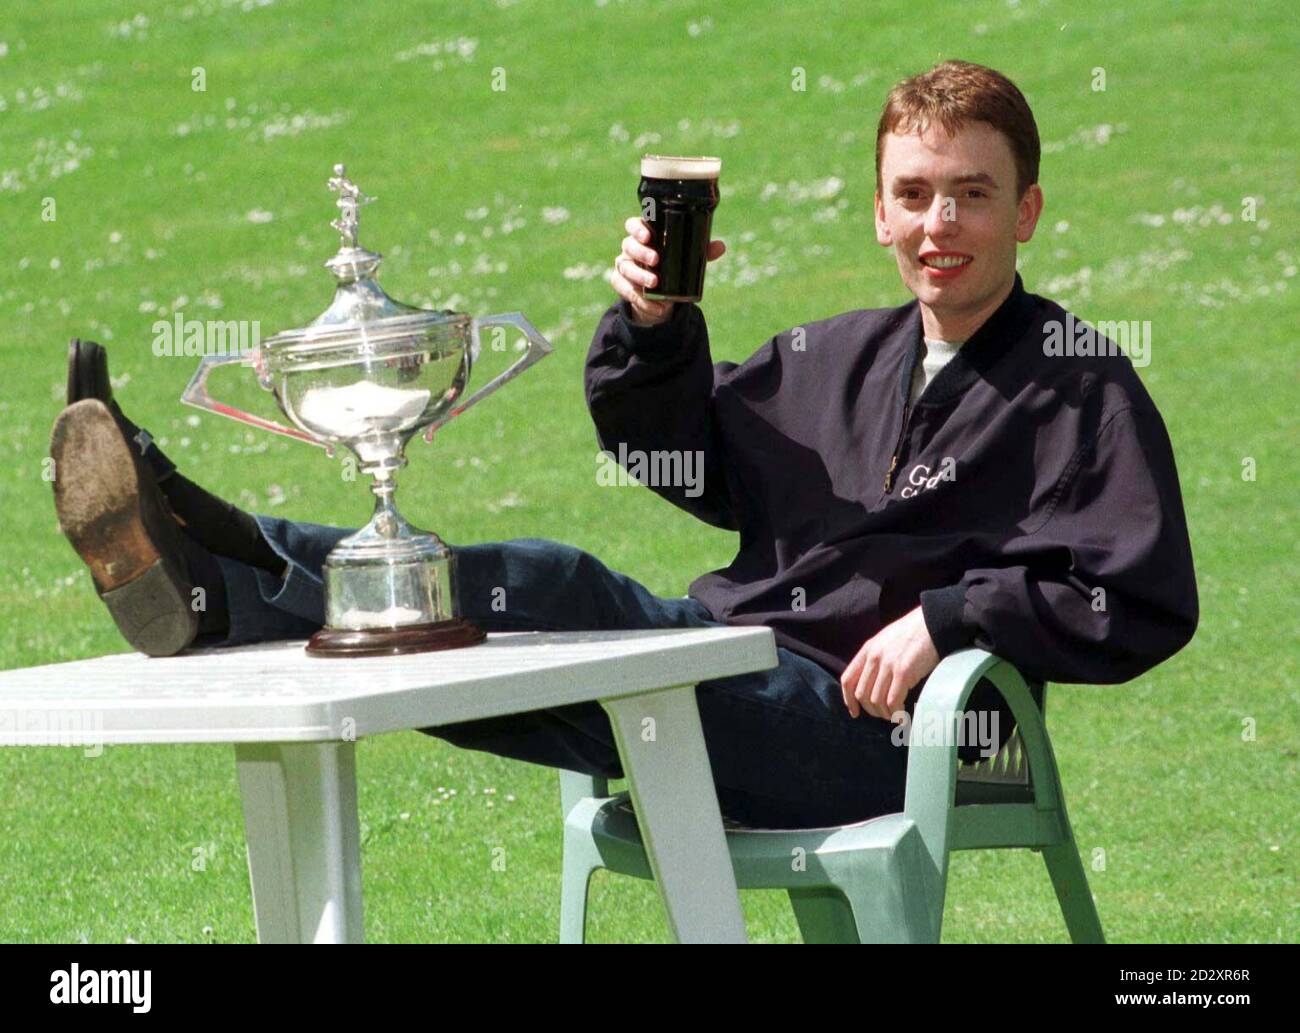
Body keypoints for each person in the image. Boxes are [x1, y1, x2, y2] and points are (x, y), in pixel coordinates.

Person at [49, 60, 1197, 830]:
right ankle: (219, 575)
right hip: (745, 675)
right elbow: (676, 456)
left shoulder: (1077, 380)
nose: (939, 226)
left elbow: (1135, 592)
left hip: (915, 743)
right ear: (878, 210)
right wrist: (654, 325)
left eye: (971, 195)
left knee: (552, 595)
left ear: (1027, 211)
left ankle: (226, 561)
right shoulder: (835, 357)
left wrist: (950, 618)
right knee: (469, 660)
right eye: (914, 195)